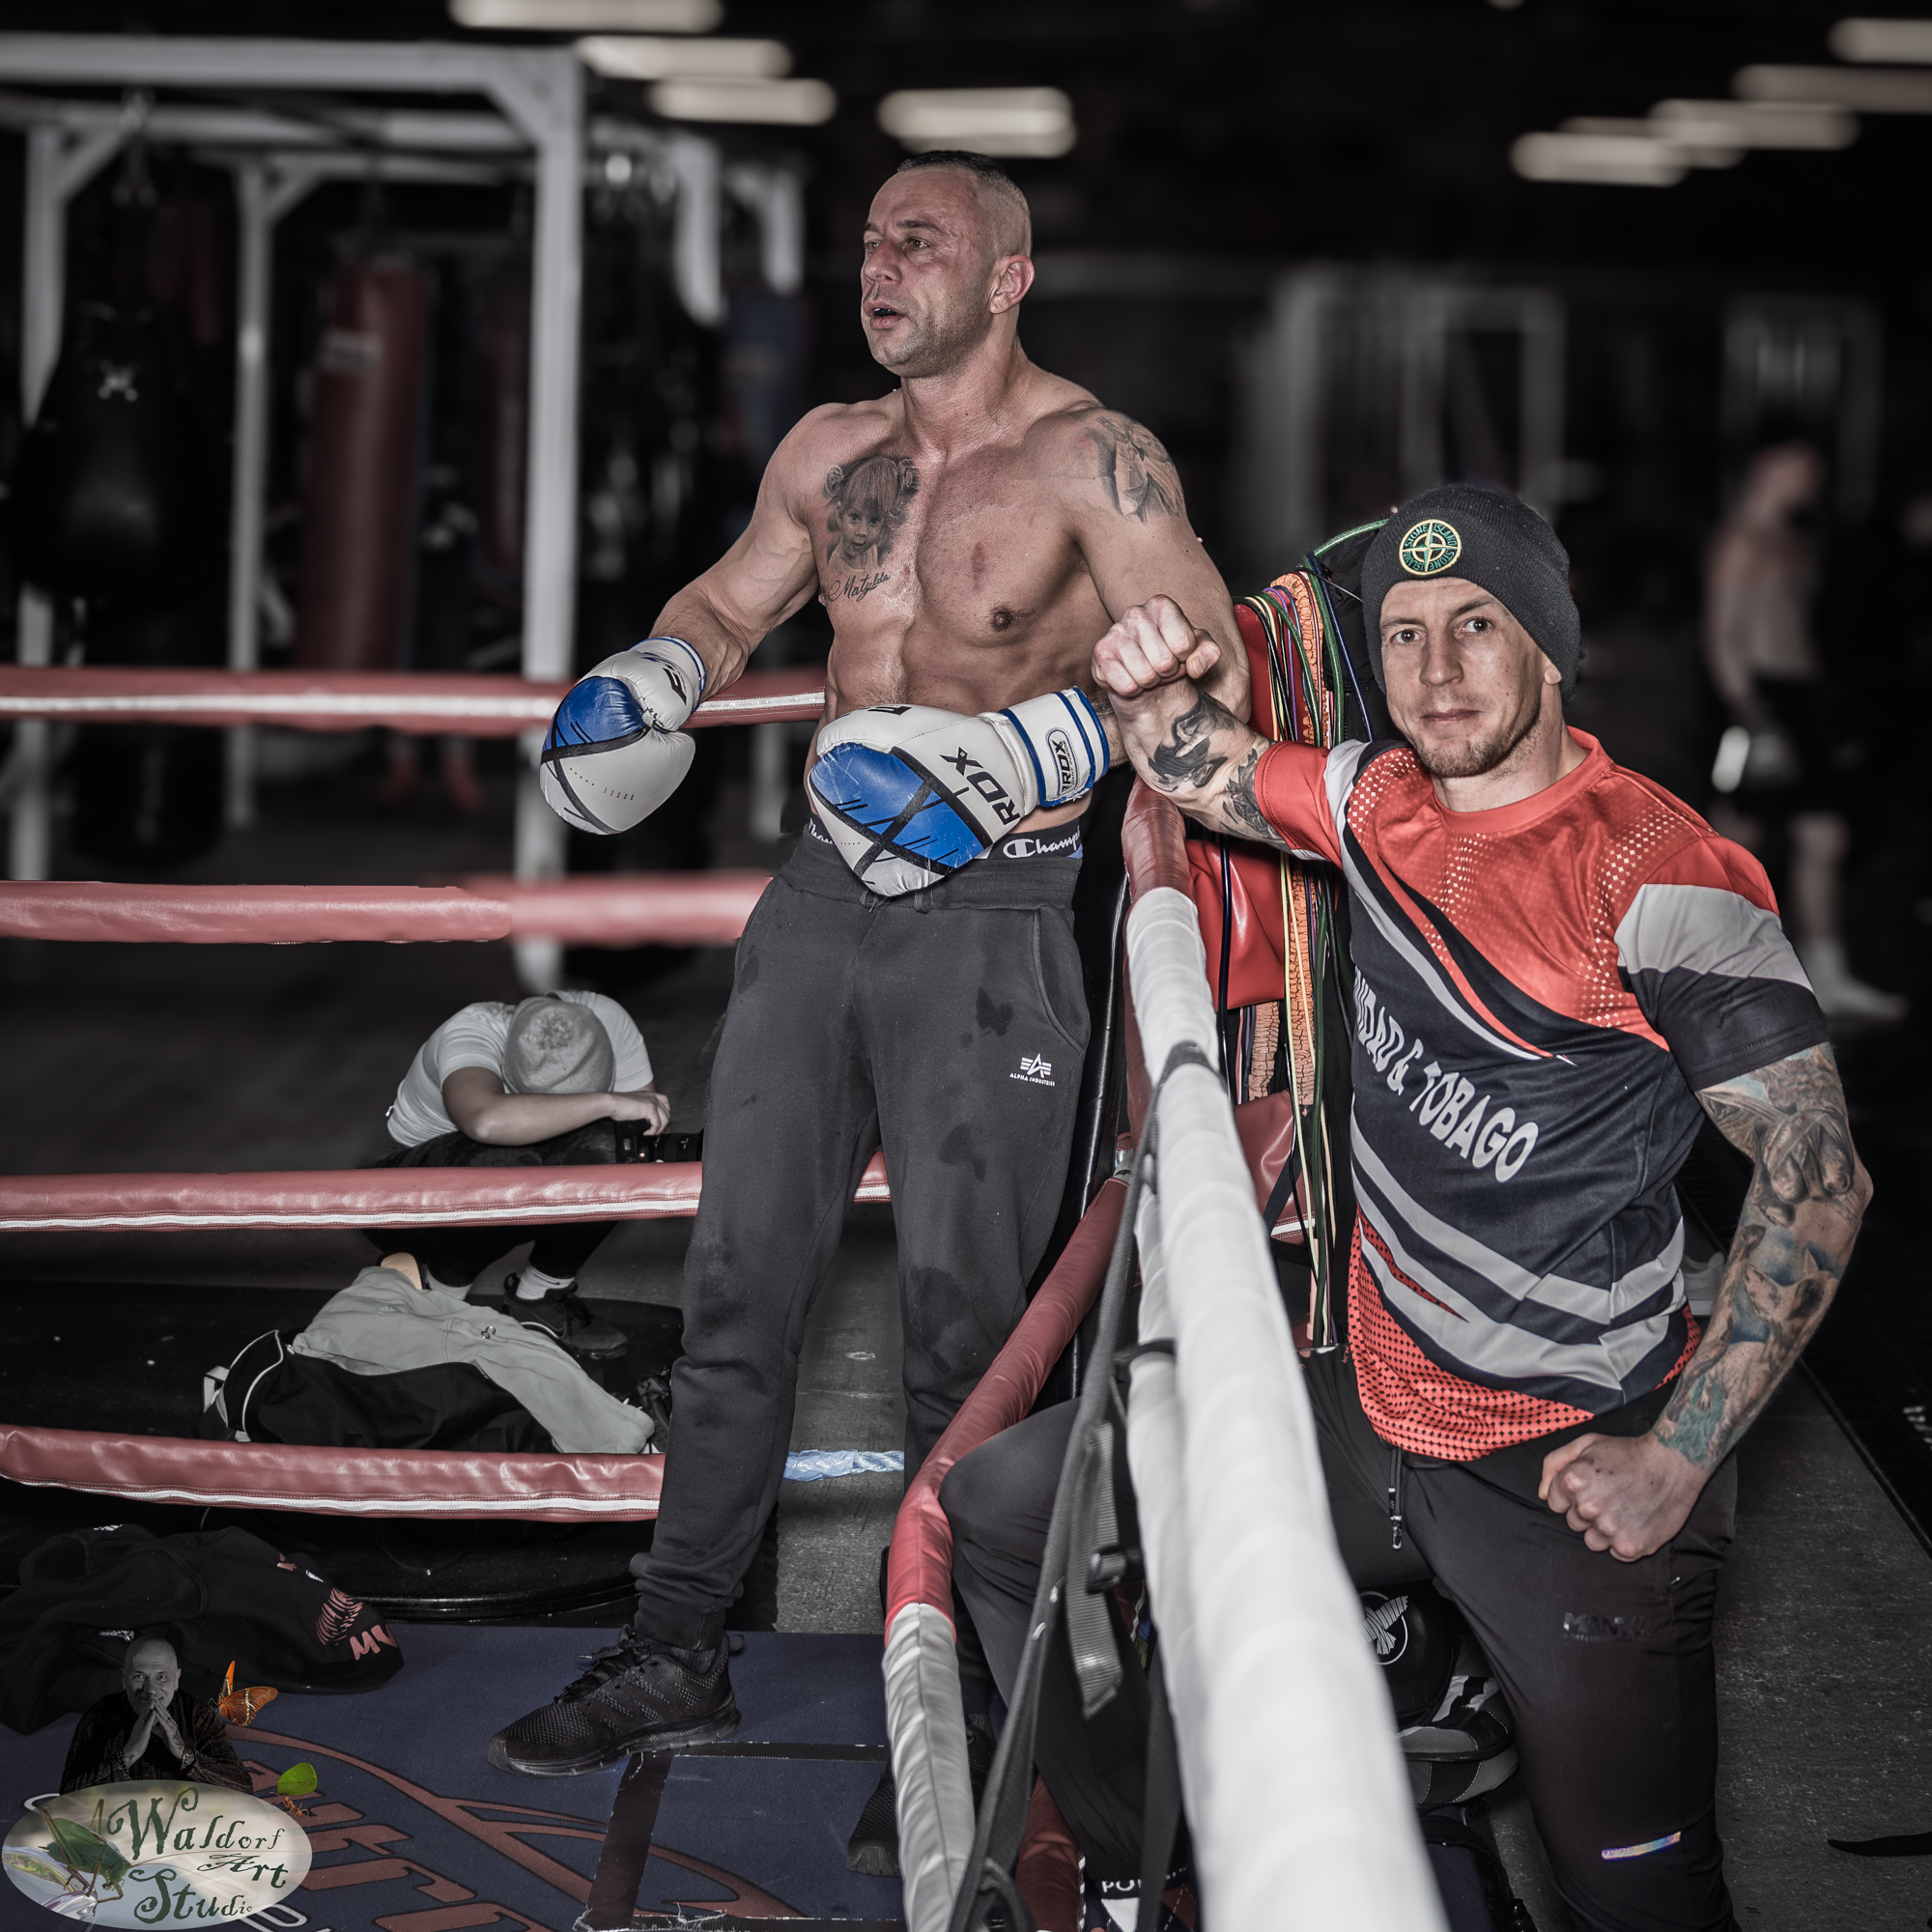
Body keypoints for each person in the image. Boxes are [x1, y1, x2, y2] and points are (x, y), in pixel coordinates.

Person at [947, 483, 1869, 1932]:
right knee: (1004, 1509)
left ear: (1550, 651)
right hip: (1377, 1410)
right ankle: (1144, 1858)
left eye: (1476, 630)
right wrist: (1143, 688)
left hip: (1567, 1460)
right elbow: (1213, 770)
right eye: (1404, 634)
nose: (1435, 672)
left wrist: (1676, 1459)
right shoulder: (1382, 806)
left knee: (1636, 1897)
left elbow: (1820, 1174)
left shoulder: (1661, 873)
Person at [487, 149, 1246, 1776]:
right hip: (818, 912)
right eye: (869, 241)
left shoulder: (1091, 460)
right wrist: (659, 668)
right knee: (733, 1294)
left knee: (965, 1335)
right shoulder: (831, 456)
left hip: (991, 925)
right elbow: (727, 599)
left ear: (1008, 276)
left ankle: (979, 1711)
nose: (879, 264)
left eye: (922, 240)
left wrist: (1050, 741)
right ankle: (678, 1646)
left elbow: (1214, 655)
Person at [1703, 441, 1904, 1021]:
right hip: (1757, 698)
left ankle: (1829, 975)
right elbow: (1722, 633)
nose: (1813, 477)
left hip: (1800, 698)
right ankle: (1706, 978)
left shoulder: (1795, 539)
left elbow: (1797, 627)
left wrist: (1822, 710)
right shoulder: (1741, 537)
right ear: (1768, 464)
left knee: (1823, 837)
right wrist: (1749, 714)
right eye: (1801, 465)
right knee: (1736, 842)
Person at [371, 990, 668, 1358]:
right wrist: (606, 1102)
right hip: (405, 1193)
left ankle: (539, 1297)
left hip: (520, 1161)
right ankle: (441, 1294)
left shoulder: (603, 1019)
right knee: (508, 1165)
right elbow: (485, 1121)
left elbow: (643, 1117)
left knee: (618, 1149)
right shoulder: (473, 1031)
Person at [60, 1637, 250, 1794]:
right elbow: (67, 1795)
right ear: (124, 1679)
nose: (151, 1690)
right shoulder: (100, 1715)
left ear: (176, 1680)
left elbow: (243, 1788)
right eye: (139, 1677)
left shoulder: (198, 1716)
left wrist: (183, 1754)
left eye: (161, 1677)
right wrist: (128, 1754)